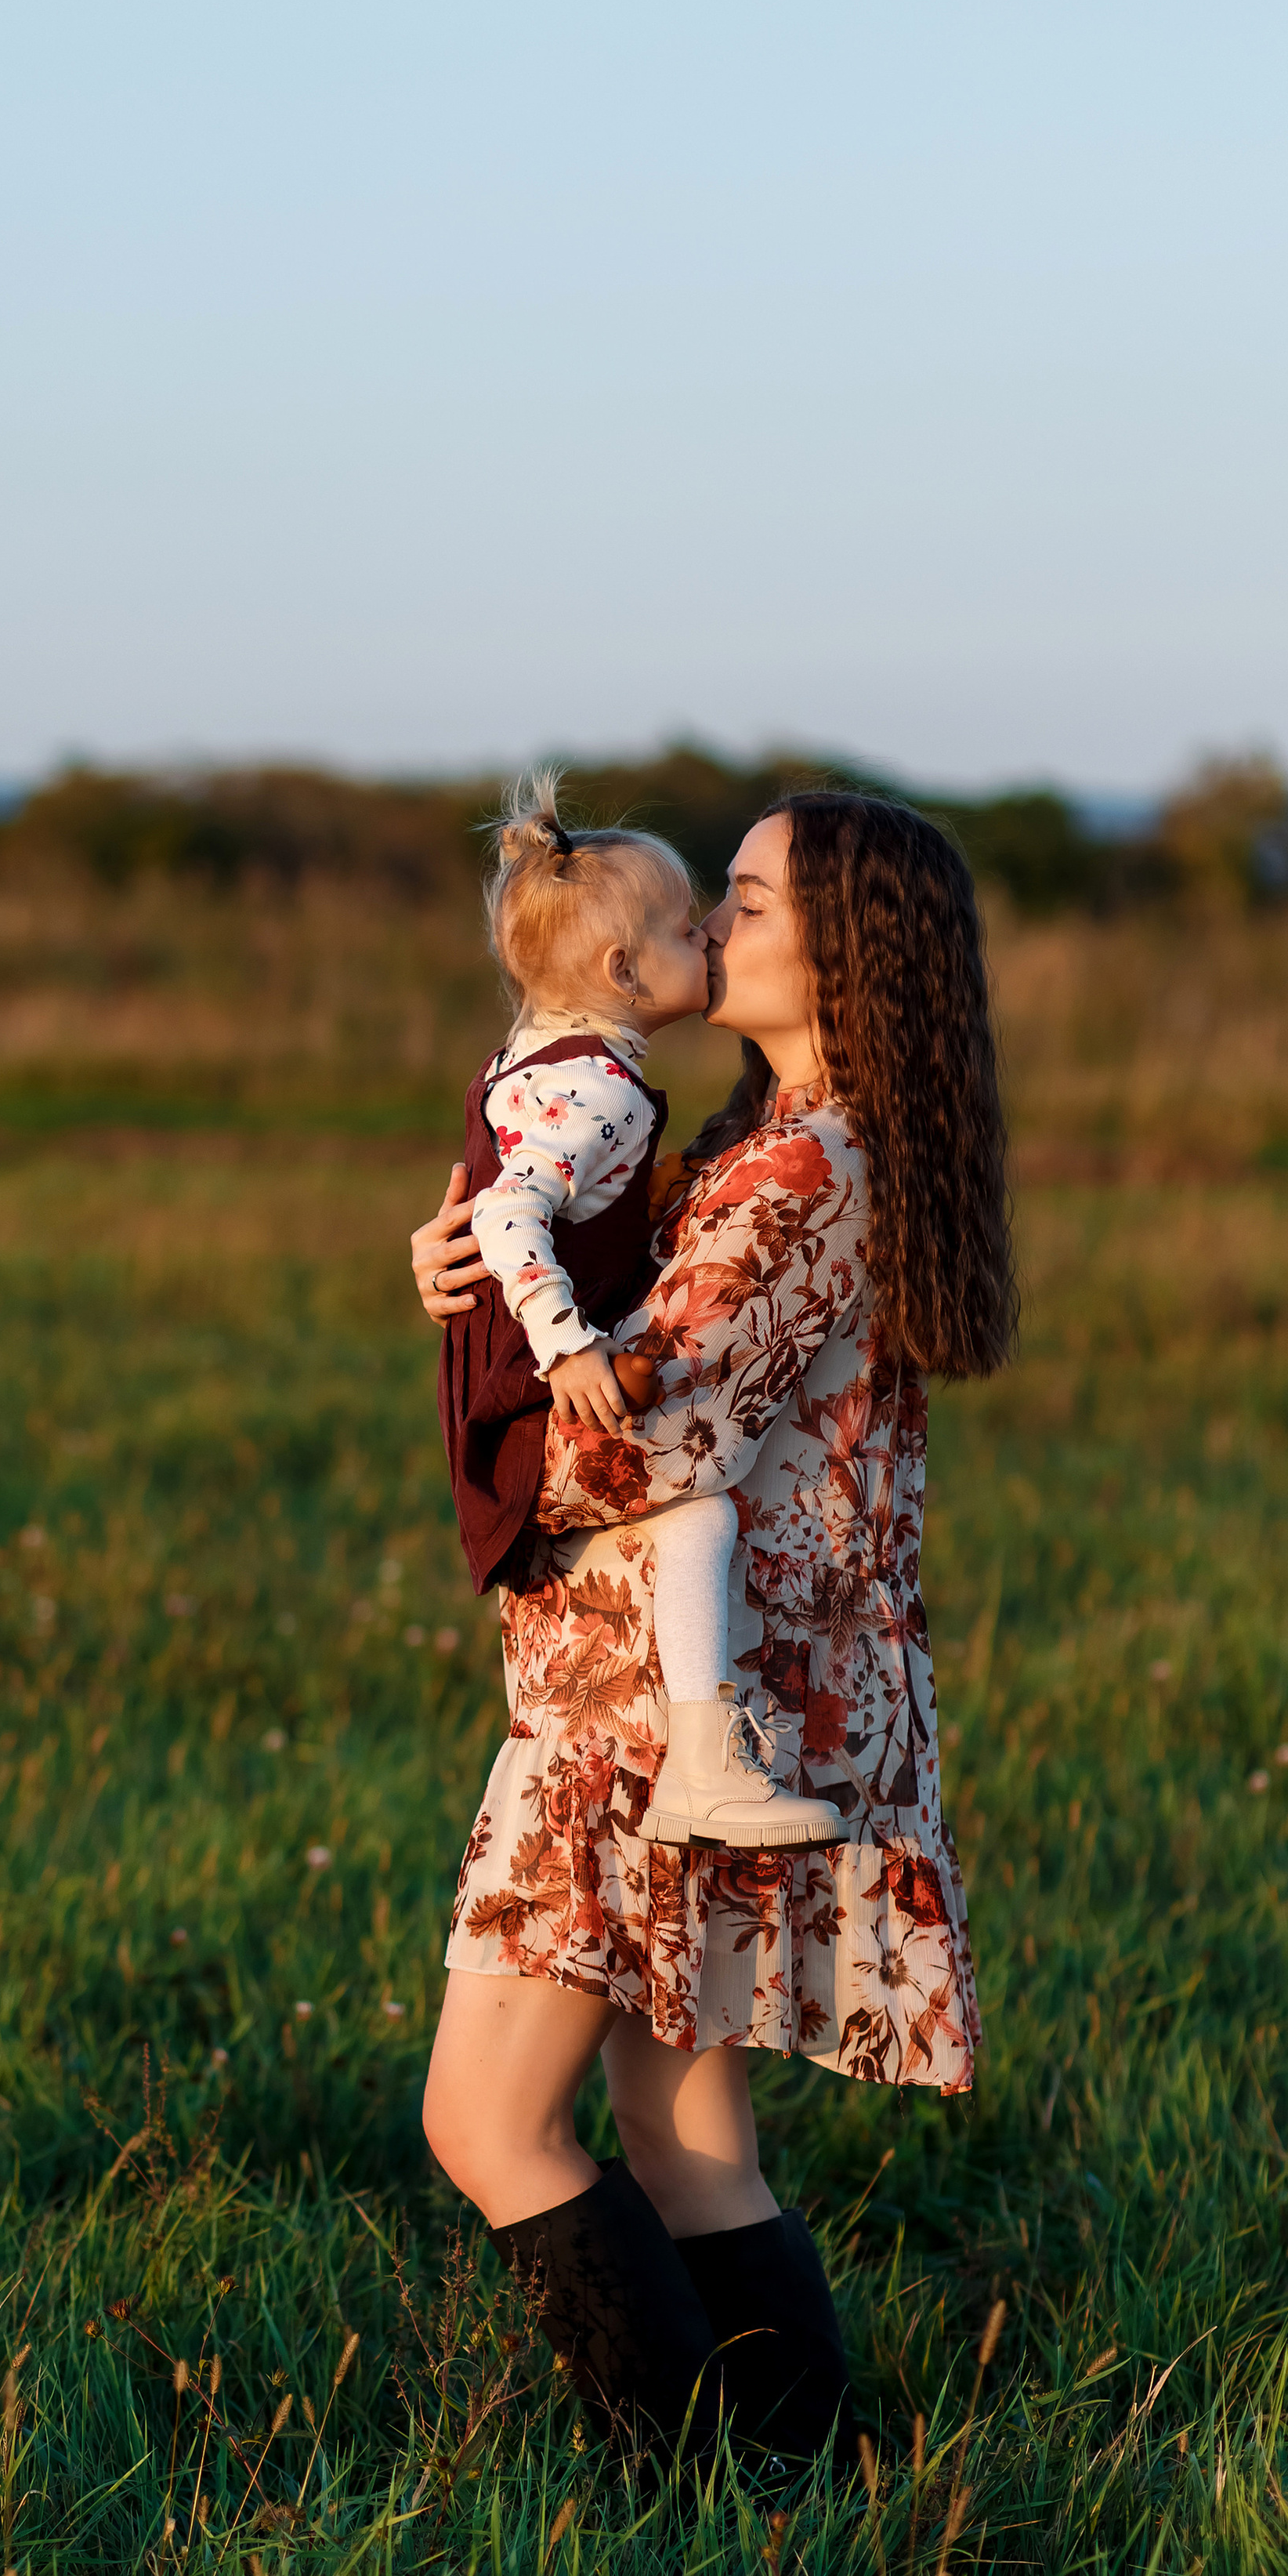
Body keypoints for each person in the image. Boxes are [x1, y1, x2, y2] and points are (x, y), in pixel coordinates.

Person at [411, 791, 1016, 2467]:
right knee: (680, 2143)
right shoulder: (781, 1146)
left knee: (484, 2118)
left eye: (742, 902)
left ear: (846, 946)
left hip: (657, 1714)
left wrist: (490, 1372)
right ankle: (798, 2491)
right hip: (711, 1692)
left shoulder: (800, 1171)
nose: (707, 931)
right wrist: (476, 1268)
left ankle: (680, 2488)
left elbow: (631, 1436)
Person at [443, 769, 842, 1852]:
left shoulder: (537, 1060)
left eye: (741, 907)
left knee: (678, 2024)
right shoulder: (605, 1090)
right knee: (701, 1507)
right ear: (623, 970)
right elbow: (513, 1210)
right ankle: (710, 1760)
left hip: (527, 1424)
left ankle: (702, 1761)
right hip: (546, 1409)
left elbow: (506, 1202)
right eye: (692, 923)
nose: (709, 935)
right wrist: (563, 1341)